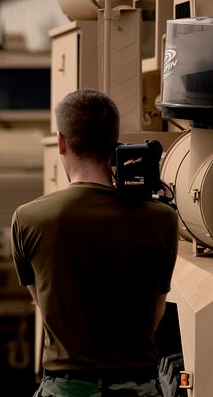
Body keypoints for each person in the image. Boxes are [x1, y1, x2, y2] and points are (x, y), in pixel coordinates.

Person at [11, 89, 179, 397]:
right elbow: (156, 312)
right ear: (115, 138)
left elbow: (43, 302)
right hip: (137, 386)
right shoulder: (161, 219)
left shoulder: (28, 218)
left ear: (61, 141)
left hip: (65, 387)